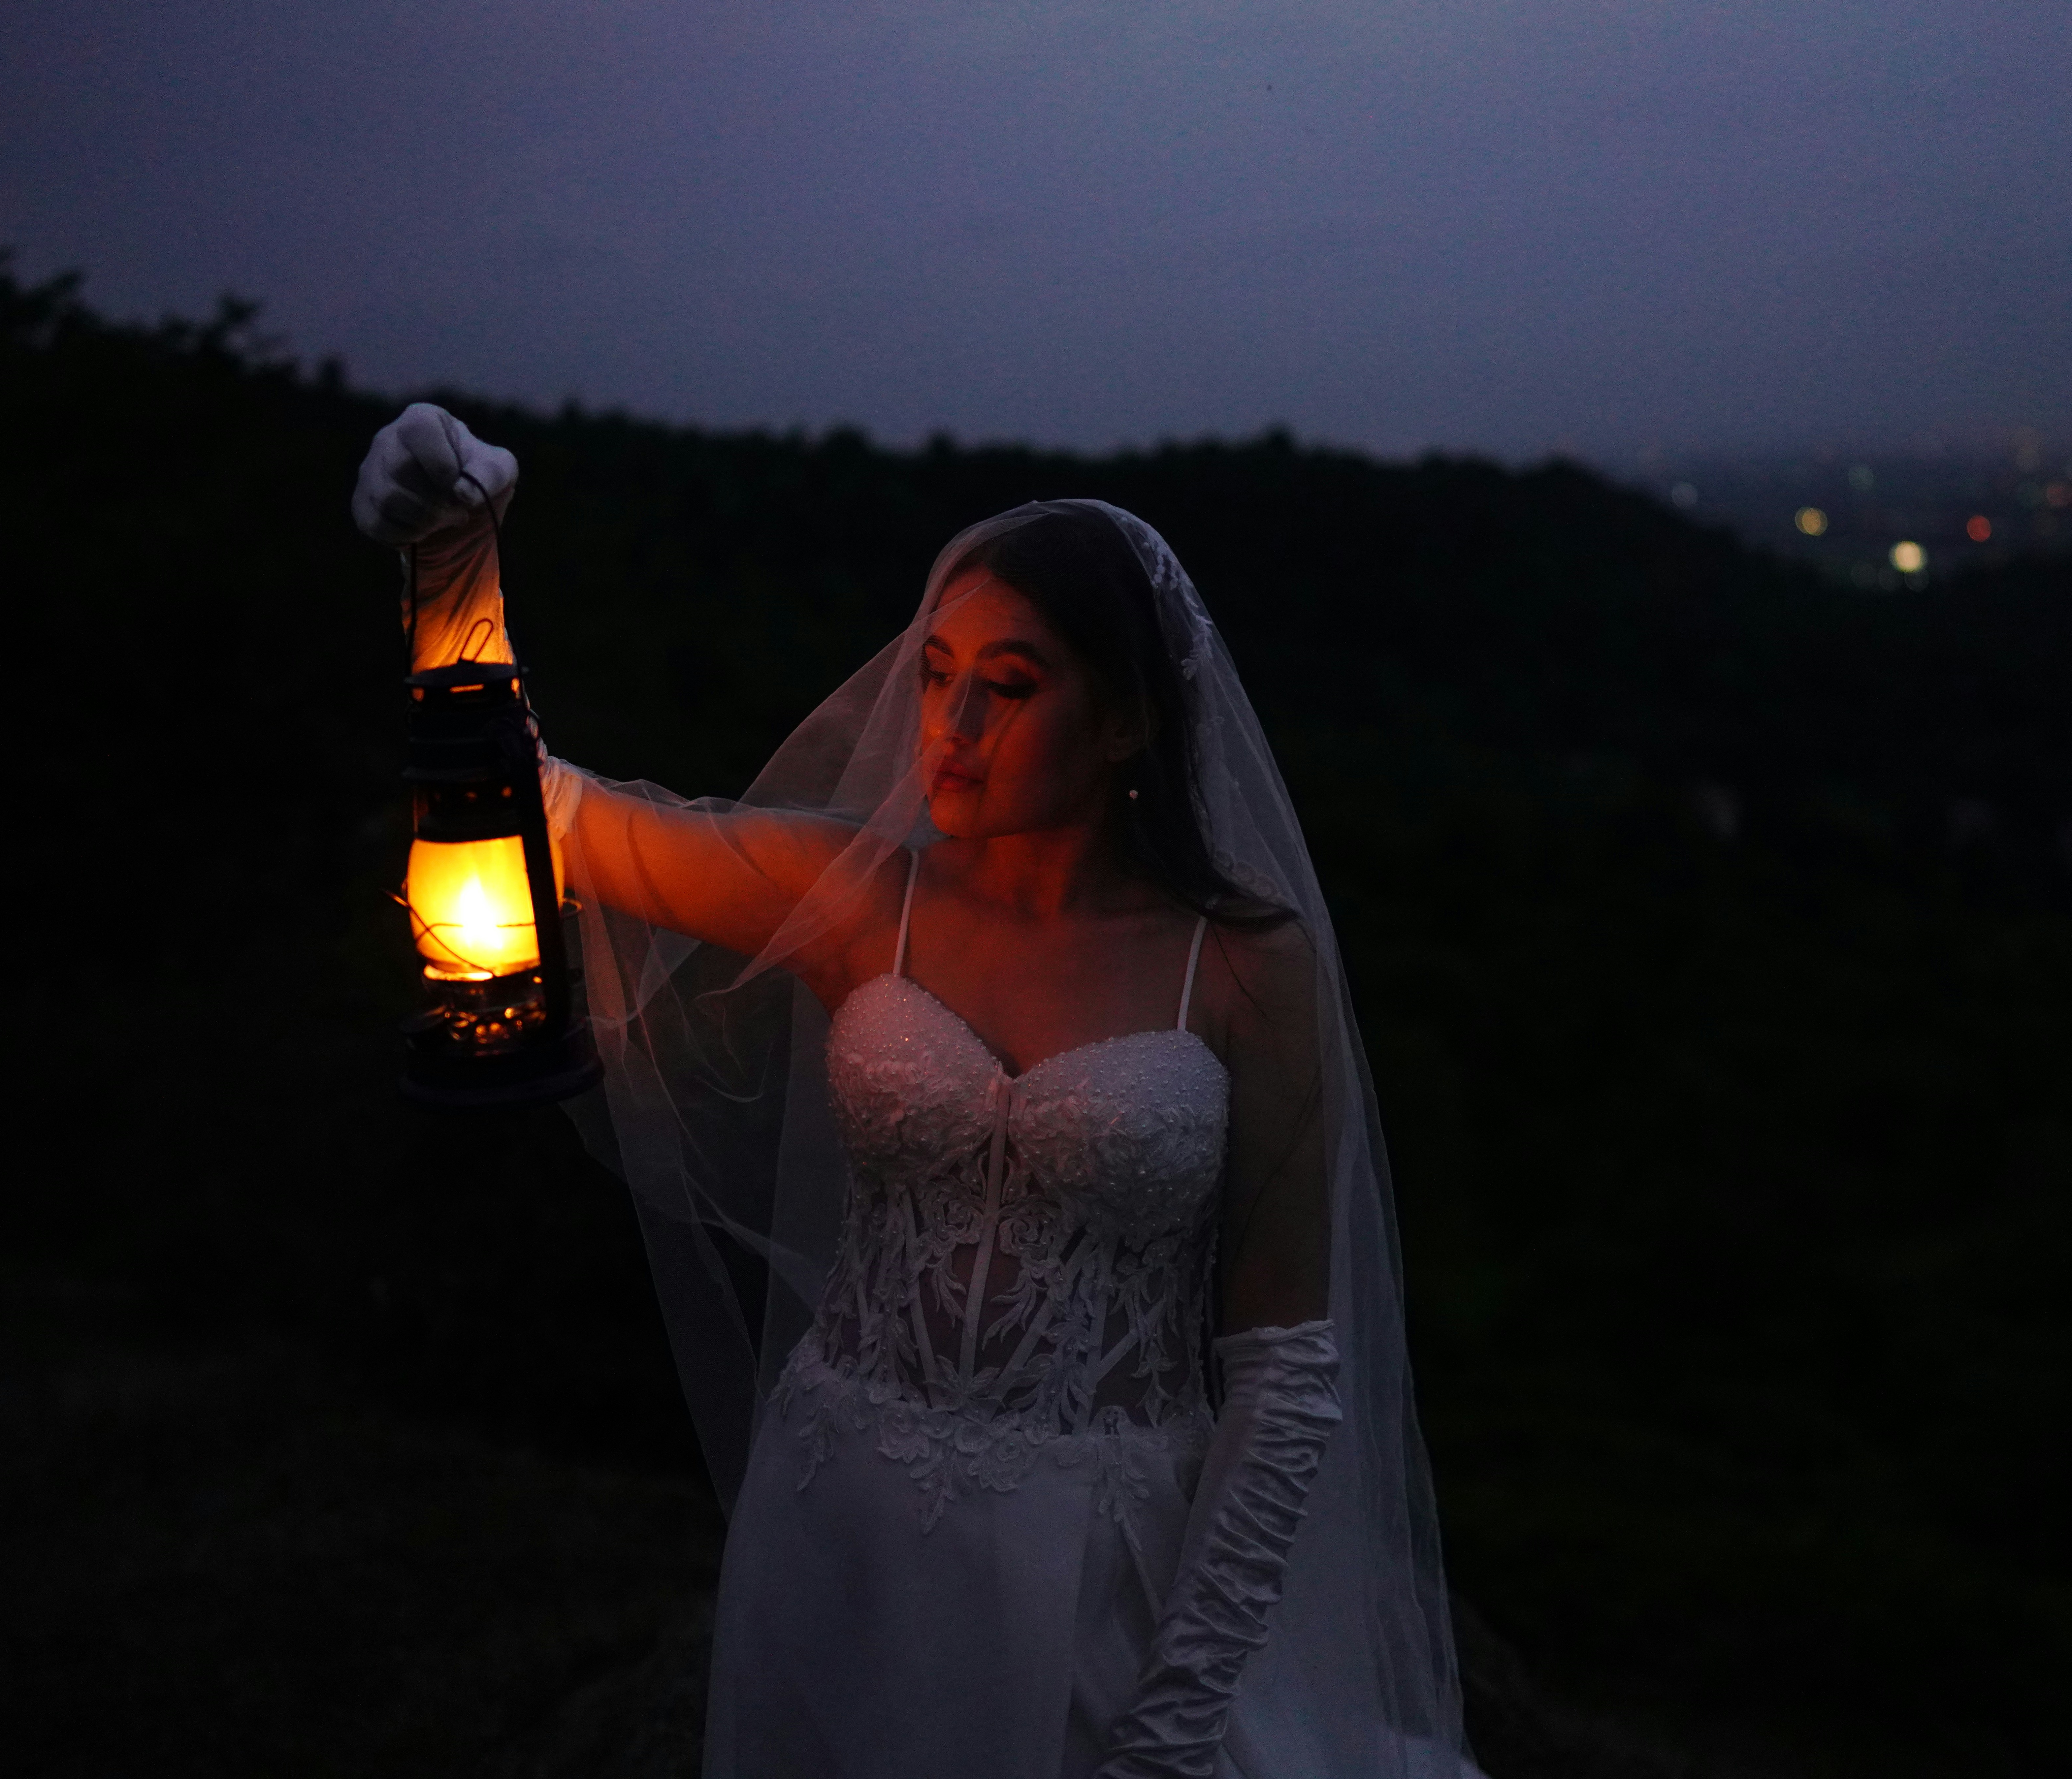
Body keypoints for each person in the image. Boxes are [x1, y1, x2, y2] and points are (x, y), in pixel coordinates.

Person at [355, 405, 1485, 1779]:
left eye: (1006, 687)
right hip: (842, 1520)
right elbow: (537, 804)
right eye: (936, 669)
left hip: (1105, 1560)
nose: (945, 726)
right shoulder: (855, 898)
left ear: (1127, 715)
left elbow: (1288, 1372)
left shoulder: (1242, 964)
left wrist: (1176, 1724)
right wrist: (452, 561)